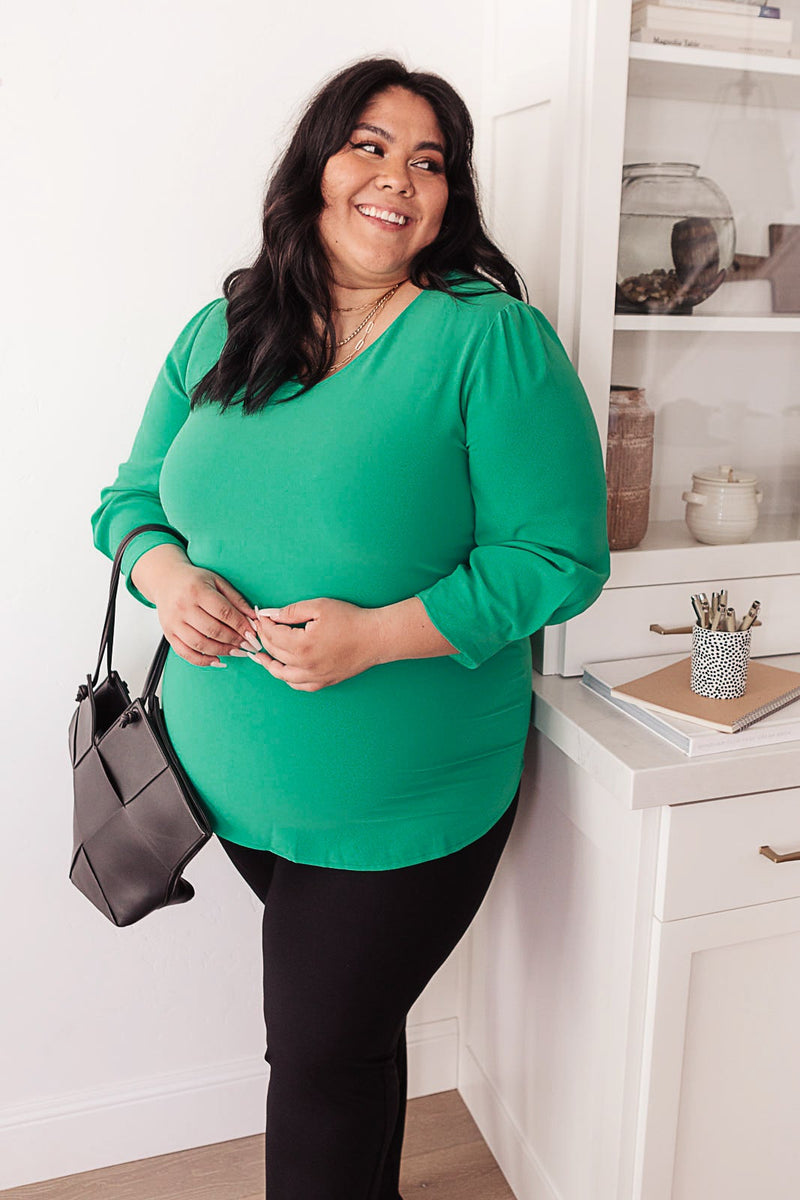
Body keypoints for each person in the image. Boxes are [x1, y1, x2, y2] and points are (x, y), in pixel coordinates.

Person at [90, 55, 610, 1200]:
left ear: (450, 195)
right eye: (369, 146)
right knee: (348, 1041)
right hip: (227, 779)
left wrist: (374, 637)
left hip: (400, 795)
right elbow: (129, 500)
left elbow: (558, 559)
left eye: (429, 161)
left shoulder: (488, 341)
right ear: (314, 168)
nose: (397, 179)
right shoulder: (224, 326)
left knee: (318, 1059)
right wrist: (166, 575)